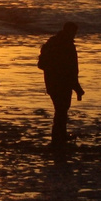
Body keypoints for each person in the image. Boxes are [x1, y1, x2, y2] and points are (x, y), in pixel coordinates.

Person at [37, 22, 84, 150]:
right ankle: (58, 137)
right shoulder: (66, 45)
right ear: (69, 31)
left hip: (52, 83)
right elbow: (71, 69)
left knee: (61, 109)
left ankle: (60, 135)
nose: (74, 35)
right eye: (74, 32)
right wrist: (77, 88)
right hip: (62, 83)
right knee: (61, 109)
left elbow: (41, 64)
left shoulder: (52, 42)